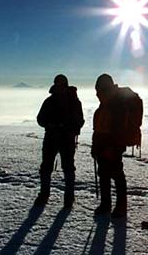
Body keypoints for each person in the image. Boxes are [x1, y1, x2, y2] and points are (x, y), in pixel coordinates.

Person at [35, 74, 84, 209]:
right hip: (59, 139)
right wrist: (54, 125)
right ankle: (64, 198)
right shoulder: (58, 101)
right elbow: (40, 119)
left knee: (58, 168)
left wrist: (58, 126)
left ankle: (55, 197)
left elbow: (79, 121)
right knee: (54, 168)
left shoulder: (58, 101)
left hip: (58, 139)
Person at [91, 74, 128, 218]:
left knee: (117, 175)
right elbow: (98, 130)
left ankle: (120, 207)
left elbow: (118, 130)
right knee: (104, 175)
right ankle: (106, 205)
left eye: (99, 90)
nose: (97, 94)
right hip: (103, 147)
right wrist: (96, 147)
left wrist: (112, 148)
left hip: (112, 147)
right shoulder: (106, 104)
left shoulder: (117, 105)